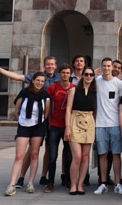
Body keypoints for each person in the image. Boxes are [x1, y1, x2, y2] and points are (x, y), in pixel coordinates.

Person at [0, 56, 59, 188]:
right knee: (30, 151)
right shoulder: (35, 76)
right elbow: (18, 77)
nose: (50, 66)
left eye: (52, 64)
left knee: (46, 150)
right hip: (32, 121)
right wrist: (1, 71)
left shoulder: (60, 78)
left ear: (56, 66)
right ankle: (21, 177)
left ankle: (43, 176)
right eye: (48, 64)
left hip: (50, 120)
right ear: (44, 66)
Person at [4, 72, 50, 196]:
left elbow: (46, 113)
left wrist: (38, 122)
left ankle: (30, 183)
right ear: (33, 81)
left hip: (38, 128)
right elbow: (17, 109)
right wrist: (21, 120)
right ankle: (12, 184)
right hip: (24, 127)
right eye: (38, 80)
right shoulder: (24, 93)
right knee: (19, 155)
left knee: (34, 154)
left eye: (42, 81)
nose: (40, 83)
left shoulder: (45, 95)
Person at [93, 58, 122, 195]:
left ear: (112, 67)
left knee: (116, 154)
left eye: (109, 66)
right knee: (102, 154)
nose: (106, 68)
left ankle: (118, 183)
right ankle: (103, 182)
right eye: (104, 66)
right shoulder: (96, 82)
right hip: (100, 124)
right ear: (101, 67)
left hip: (115, 124)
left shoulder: (119, 84)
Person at [65, 66, 97, 195]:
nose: (89, 77)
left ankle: (80, 184)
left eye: (91, 75)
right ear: (82, 75)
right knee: (77, 156)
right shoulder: (73, 90)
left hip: (89, 121)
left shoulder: (95, 91)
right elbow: (68, 109)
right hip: (75, 120)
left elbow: (96, 110)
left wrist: (93, 124)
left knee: (85, 157)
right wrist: (67, 127)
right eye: (86, 74)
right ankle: (73, 184)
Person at [45, 63, 75, 192]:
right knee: (52, 155)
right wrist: (49, 122)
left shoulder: (74, 88)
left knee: (68, 156)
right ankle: (50, 181)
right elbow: (48, 105)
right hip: (55, 126)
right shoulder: (53, 88)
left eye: (68, 73)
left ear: (70, 74)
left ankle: (67, 180)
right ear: (59, 73)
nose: (65, 75)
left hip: (68, 127)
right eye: (63, 72)